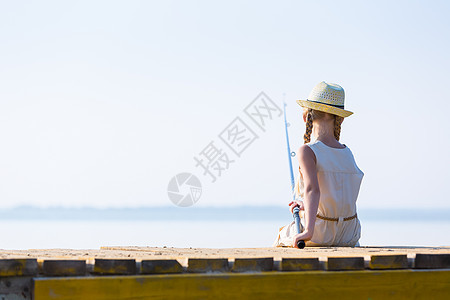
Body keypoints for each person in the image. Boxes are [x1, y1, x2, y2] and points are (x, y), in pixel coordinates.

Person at [273, 81, 364, 248]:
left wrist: (308, 230)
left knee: (281, 236)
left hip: (319, 233)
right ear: (340, 120)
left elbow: (311, 190)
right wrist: (305, 208)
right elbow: (335, 199)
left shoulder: (307, 151)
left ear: (305, 117)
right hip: (350, 233)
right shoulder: (348, 153)